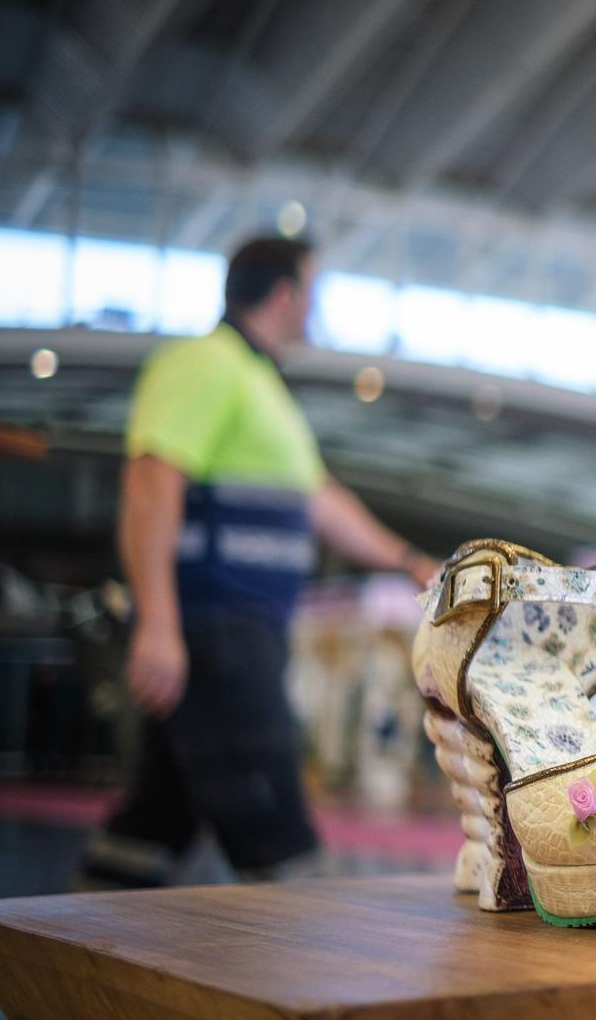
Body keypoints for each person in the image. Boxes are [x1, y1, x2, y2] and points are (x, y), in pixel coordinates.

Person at [78, 236, 437, 889]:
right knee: (276, 832)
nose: (315, 308)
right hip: (216, 632)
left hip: (236, 632)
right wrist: (158, 622)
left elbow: (322, 500)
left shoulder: (259, 385)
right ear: (284, 294)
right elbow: (151, 486)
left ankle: (63, 970)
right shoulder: (203, 365)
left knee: (151, 824)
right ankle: (309, 979)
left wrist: (411, 562)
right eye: (312, 291)